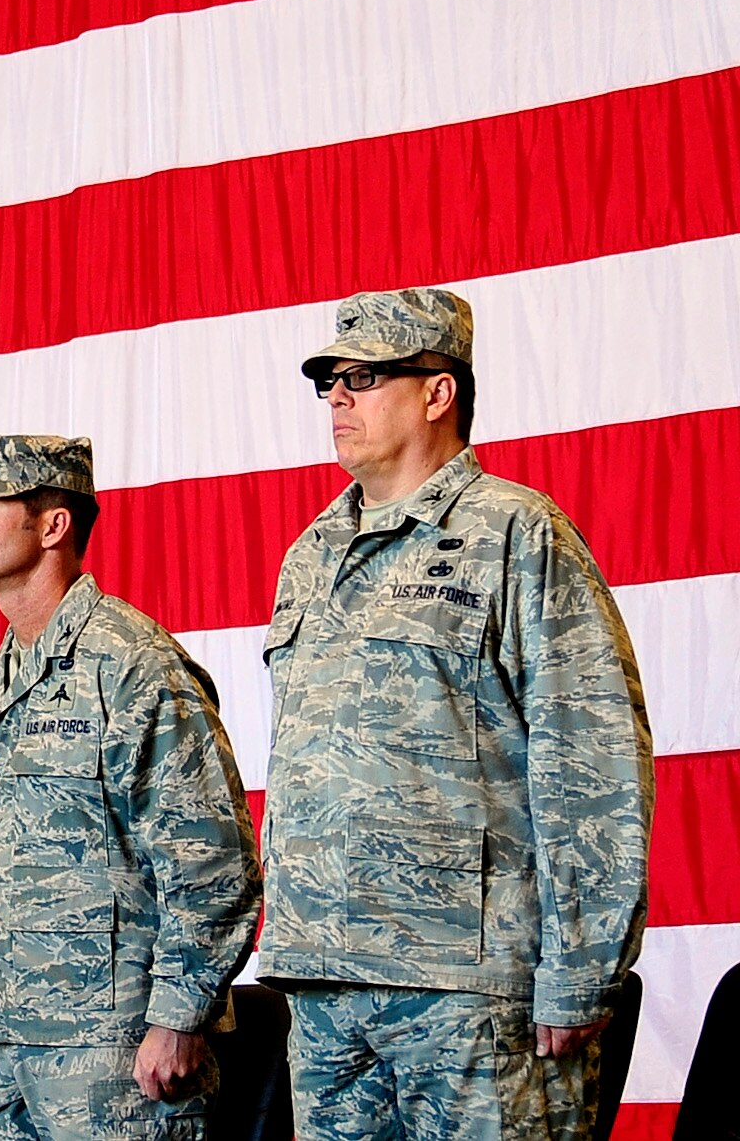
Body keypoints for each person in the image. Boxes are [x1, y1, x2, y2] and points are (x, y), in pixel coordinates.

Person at [259, 288, 654, 1141]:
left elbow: (591, 755)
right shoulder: (311, 555)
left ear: (438, 391)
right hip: (325, 986)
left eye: (362, 377)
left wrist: (582, 969)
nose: (336, 396)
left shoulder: (517, 533)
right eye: (329, 379)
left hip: (470, 989)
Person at [0, 433, 262, 1139]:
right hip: (10, 1037)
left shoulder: (131, 664)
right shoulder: (7, 670)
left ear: (53, 525)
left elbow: (211, 859)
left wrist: (180, 1016)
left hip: (115, 1051)